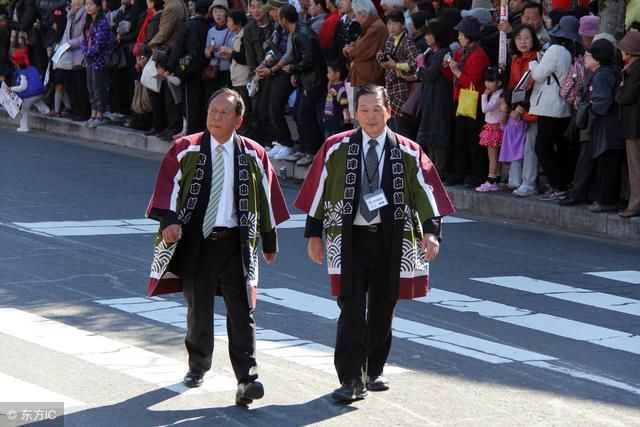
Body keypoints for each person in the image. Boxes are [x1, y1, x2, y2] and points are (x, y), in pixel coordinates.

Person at [294, 84, 455, 402]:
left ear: (388, 112)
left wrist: (431, 231)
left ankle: (373, 369)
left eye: (376, 109)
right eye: (364, 110)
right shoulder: (336, 147)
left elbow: (427, 192)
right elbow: (318, 191)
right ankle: (350, 378)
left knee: (383, 309)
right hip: (349, 238)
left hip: (390, 239)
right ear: (355, 113)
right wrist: (314, 234)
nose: (370, 116)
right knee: (351, 310)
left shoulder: (407, 151)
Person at [145, 88, 290, 406]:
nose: (216, 117)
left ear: (239, 119)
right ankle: (198, 364)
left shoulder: (253, 153)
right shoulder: (187, 148)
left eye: (224, 112)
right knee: (199, 309)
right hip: (197, 241)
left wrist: (269, 238)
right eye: (212, 110)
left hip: (236, 242)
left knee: (242, 312)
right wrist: (169, 220)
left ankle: (247, 378)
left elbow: (266, 196)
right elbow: (168, 185)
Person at [529, 15, 581, 201]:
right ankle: (565, 181)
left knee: (542, 146)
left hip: (549, 106)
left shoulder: (555, 49)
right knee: (559, 144)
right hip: (563, 105)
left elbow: (539, 75)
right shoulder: (571, 51)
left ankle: (558, 185)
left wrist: (534, 62)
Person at [442, 16, 490, 188]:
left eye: (461, 34)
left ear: (470, 35)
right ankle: (459, 172)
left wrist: (455, 70)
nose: (459, 37)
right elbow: (452, 77)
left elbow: (472, 82)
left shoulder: (479, 55)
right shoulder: (460, 52)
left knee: (473, 139)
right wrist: (447, 67)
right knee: (460, 138)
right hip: (460, 99)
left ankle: (478, 174)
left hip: (474, 100)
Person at [582, 38, 625, 213]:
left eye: (588, 55)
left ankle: (607, 201)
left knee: (607, 165)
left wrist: (590, 113)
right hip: (612, 127)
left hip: (607, 127)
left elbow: (602, 101)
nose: (585, 58)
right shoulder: (609, 72)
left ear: (597, 58)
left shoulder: (602, 75)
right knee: (608, 165)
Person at [416, 18, 453, 179]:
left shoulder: (443, 52)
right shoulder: (432, 52)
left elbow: (429, 75)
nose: (426, 37)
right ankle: (430, 169)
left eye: (429, 34)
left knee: (438, 134)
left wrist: (422, 65)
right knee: (430, 135)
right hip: (430, 97)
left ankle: (439, 171)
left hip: (439, 98)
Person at [507, 23, 542, 196]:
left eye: (527, 37)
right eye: (519, 38)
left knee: (530, 146)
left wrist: (521, 107)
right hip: (518, 109)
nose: (523, 41)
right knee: (516, 143)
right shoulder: (515, 59)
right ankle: (515, 178)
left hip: (533, 108)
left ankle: (529, 183)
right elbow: (513, 85)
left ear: (533, 39)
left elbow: (536, 86)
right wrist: (512, 107)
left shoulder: (537, 57)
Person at [378, 9, 419, 139]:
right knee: (392, 128)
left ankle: (406, 157)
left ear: (402, 25)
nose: (391, 27)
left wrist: (395, 65)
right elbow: (387, 62)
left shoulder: (407, 41)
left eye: (395, 23)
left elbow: (415, 64)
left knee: (402, 130)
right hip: (390, 88)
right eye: (389, 23)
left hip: (402, 89)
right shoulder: (389, 40)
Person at [616, 30, 640, 218]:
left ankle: (635, 204)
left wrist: (620, 91)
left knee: (635, 166)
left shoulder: (634, 69)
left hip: (634, 125)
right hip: (634, 123)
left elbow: (625, 96)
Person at [80, 0, 113, 128]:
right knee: (91, 88)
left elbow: (100, 44)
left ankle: (100, 114)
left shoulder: (102, 23)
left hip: (99, 61)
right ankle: (93, 114)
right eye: (87, 4)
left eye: (91, 4)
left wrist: (88, 53)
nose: (88, 7)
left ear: (98, 7)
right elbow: (83, 39)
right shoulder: (88, 22)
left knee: (99, 88)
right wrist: (85, 51)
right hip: (89, 60)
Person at [476, 66, 504, 192]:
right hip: (495, 127)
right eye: (486, 80)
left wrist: (484, 96)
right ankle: (497, 178)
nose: (487, 83)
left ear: (499, 83)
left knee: (492, 155)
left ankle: (491, 180)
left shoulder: (497, 96)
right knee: (496, 155)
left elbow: (485, 109)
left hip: (493, 128)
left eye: (490, 81)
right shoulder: (498, 93)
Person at [6, 47, 49, 132]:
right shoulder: (32, 68)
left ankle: (23, 126)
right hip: (40, 91)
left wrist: (11, 89)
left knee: (24, 108)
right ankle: (46, 110)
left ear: (17, 64)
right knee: (36, 100)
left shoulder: (22, 73)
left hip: (31, 95)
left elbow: (23, 87)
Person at [323, 60, 351, 140]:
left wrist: (346, 116)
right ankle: (330, 152)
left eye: (329, 72)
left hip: (336, 119)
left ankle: (338, 153)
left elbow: (344, 105)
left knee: (337, 139)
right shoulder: (332, 85)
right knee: (329, 139)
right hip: (329, 118)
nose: (327, 74)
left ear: (337, 74)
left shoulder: (341, 88)